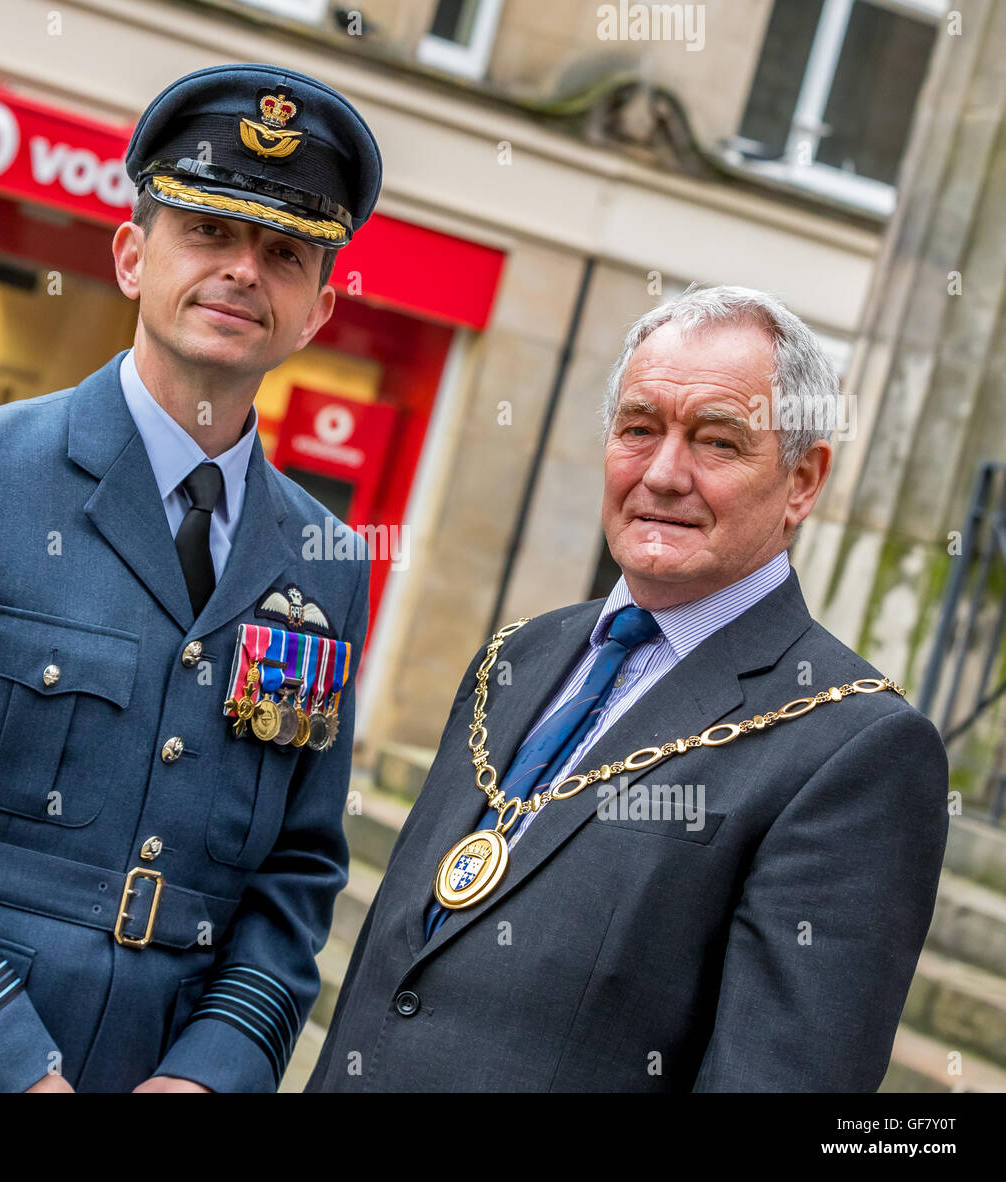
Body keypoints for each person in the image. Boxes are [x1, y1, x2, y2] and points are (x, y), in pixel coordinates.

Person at [0, 62, 381, 1093]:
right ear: (133, 255)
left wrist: (213, 1074)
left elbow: (299, 872)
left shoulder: (328, 563)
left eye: (283, 254)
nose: (242, 272)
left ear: (316, 311)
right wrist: (8, 1073)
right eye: (210, 233)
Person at [308, 285, 949, 1093]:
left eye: (718, 442)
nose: (664, 473)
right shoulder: (517, 656)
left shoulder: (856, 746)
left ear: (802, 482)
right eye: (639, 430)